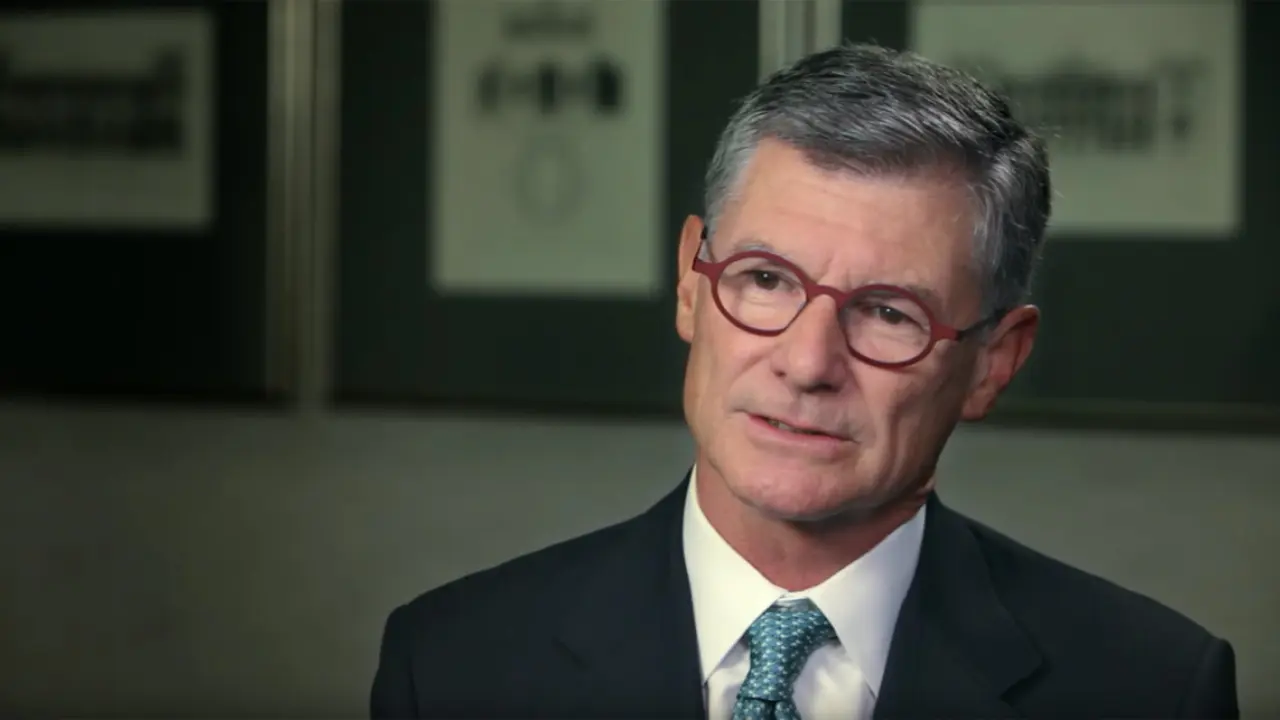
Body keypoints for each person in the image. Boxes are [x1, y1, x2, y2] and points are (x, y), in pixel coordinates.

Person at [370, 42, 1238, 719]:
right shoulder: (449, 666)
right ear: (691, 283)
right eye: (766, 280)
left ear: (993, 362)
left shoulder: (1151, 689)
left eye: (889, 312)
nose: (807, 363)